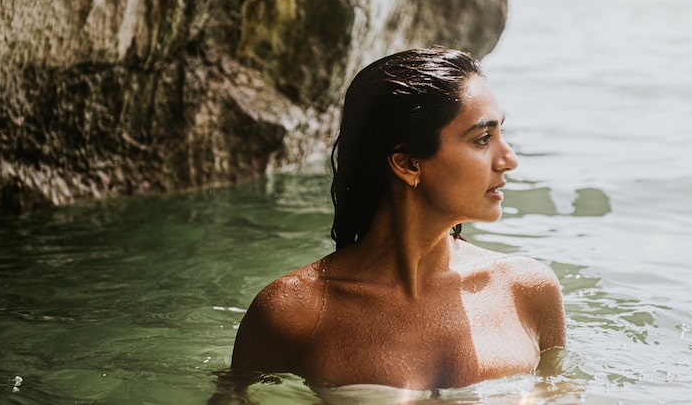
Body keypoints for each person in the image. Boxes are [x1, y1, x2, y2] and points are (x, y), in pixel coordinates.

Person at [229, 47, 565, 392]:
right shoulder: (295, 313)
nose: (509, 159)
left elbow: (563, 396)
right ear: (407, 164)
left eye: (501, 134)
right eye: (483, 139)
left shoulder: (528, 291)